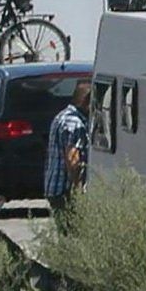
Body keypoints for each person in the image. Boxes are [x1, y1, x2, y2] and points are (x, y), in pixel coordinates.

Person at [44, 78, 91, 207]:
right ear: (87, 101)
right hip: (64, 189)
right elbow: (72, 159)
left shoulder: (62, 116)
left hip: (54, 188)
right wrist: (78, 189)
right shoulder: (74, 122)